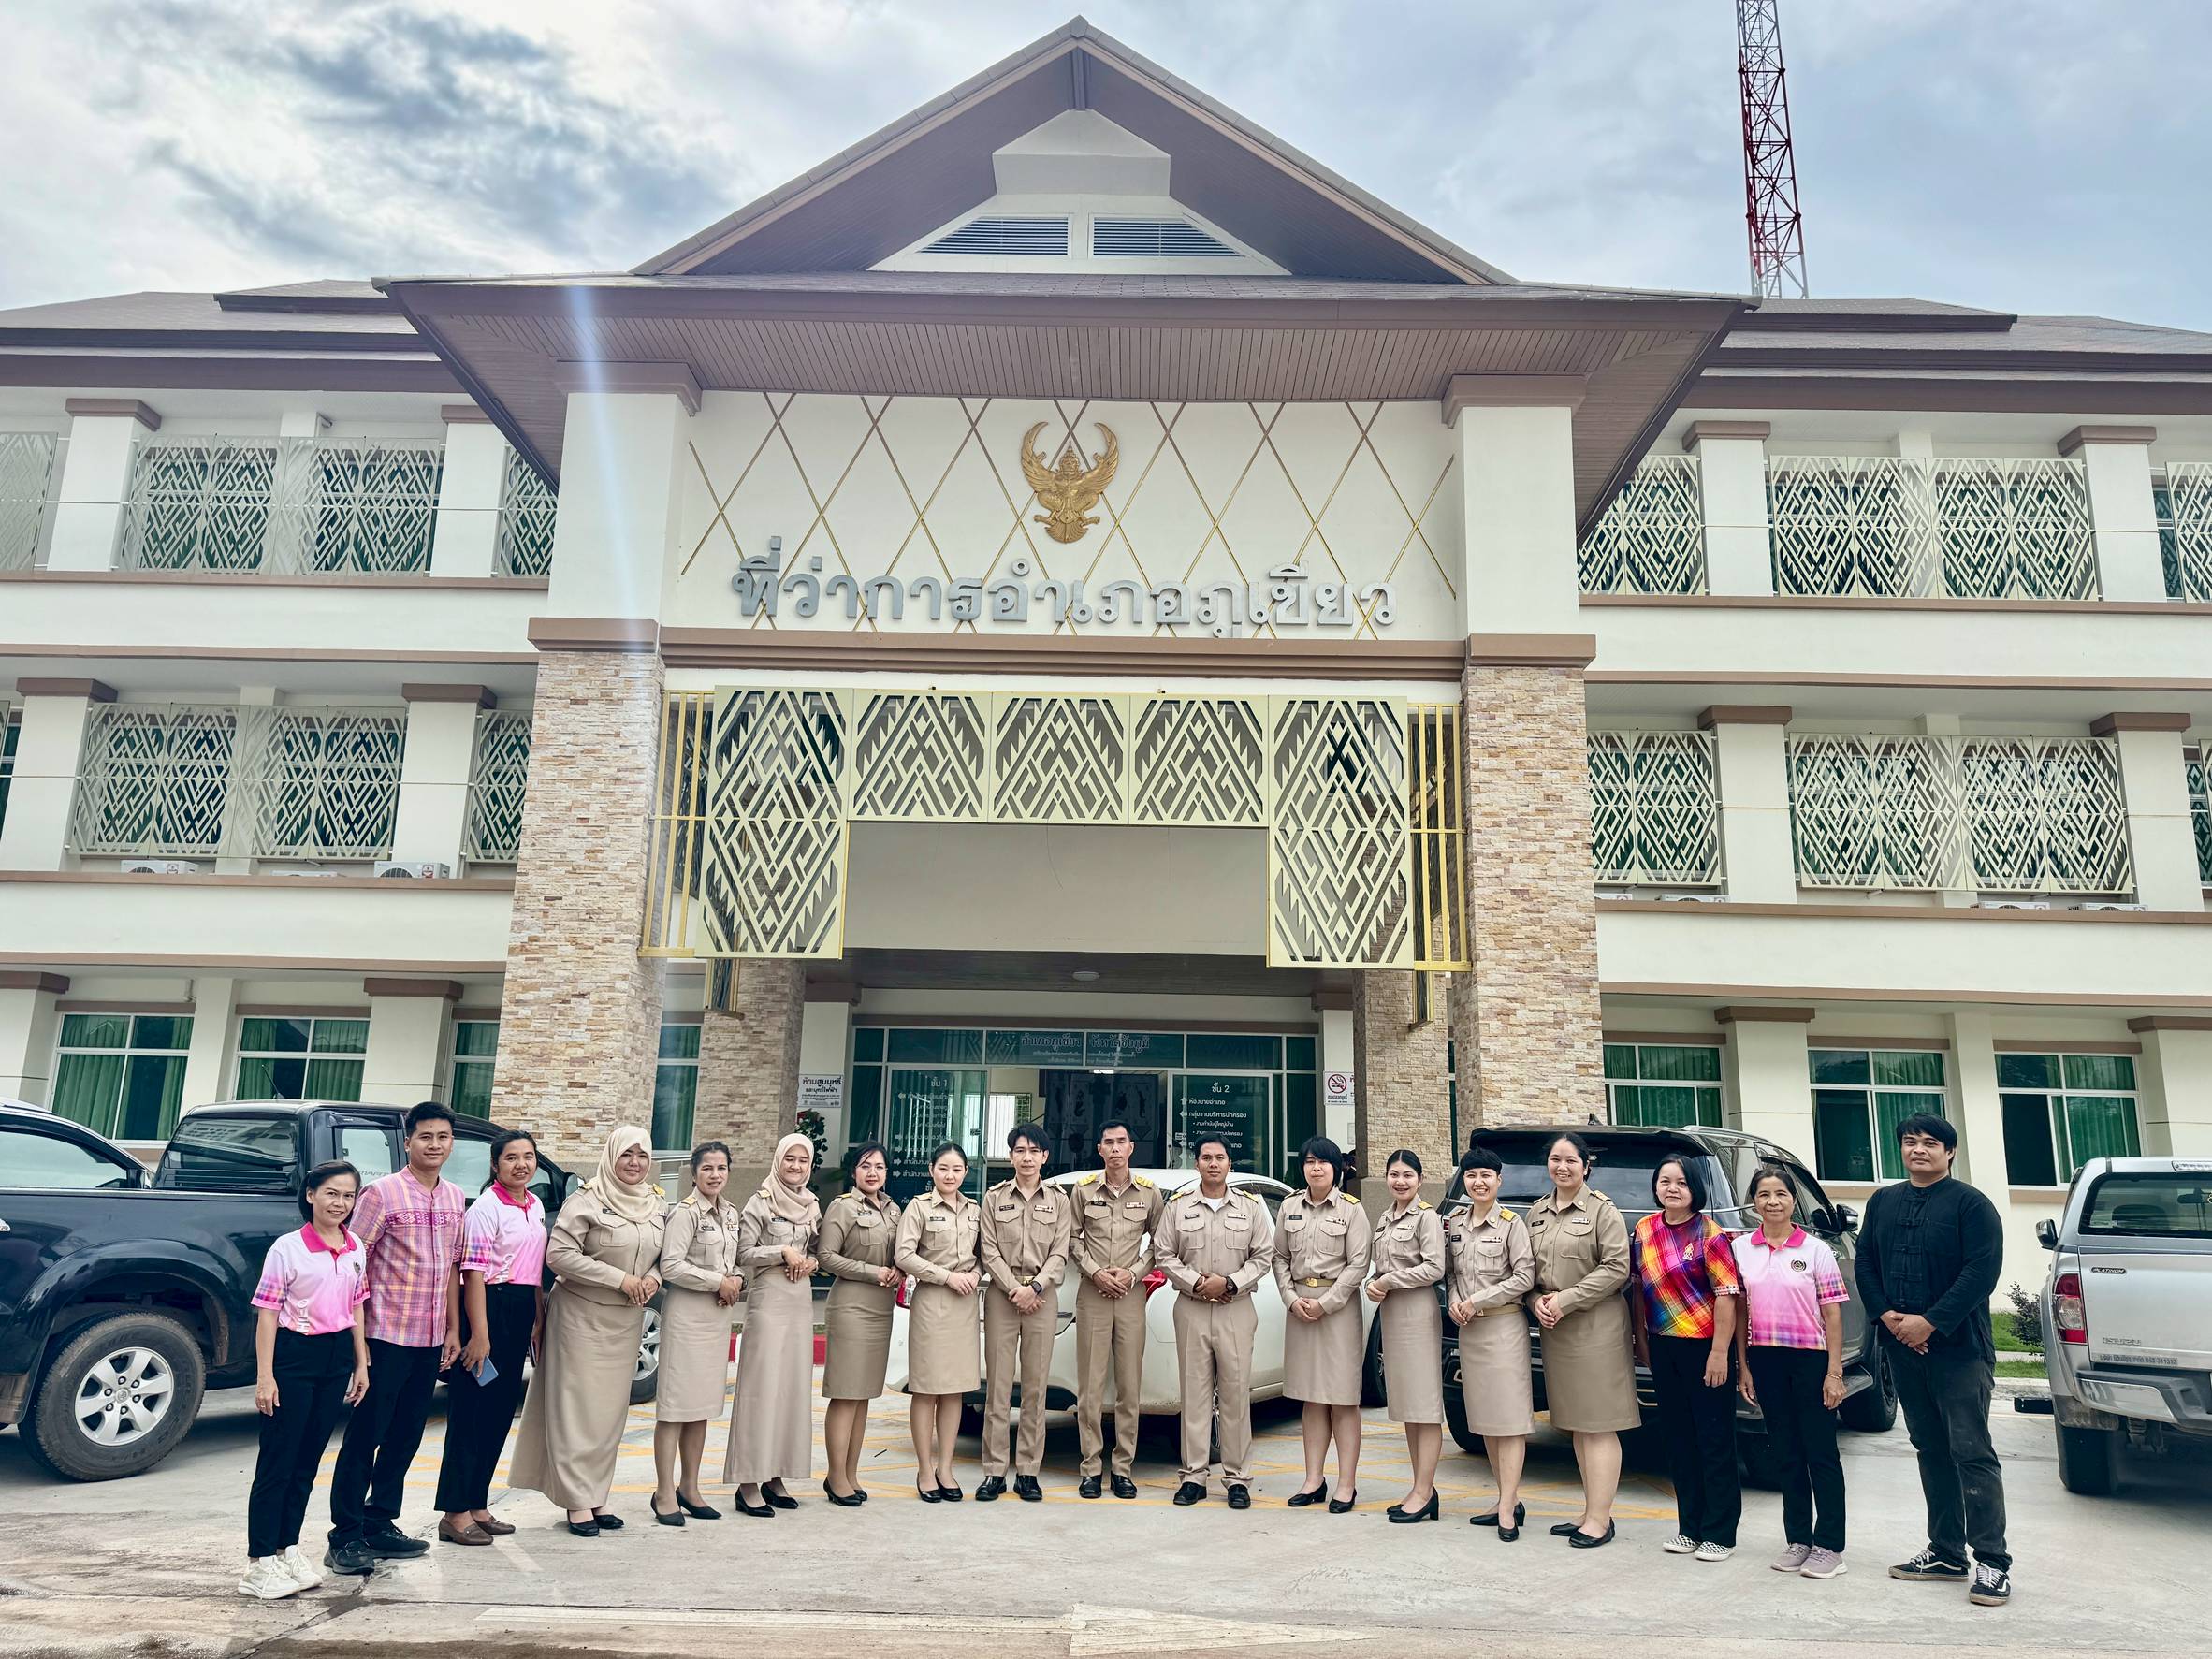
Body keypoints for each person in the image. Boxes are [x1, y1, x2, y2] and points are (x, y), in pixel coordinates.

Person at [1854, 1113, 2009, 1606]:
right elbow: (1865, 1262)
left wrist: (1931, 1322)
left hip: (1960, 1351)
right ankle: (1945, 1552)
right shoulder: (1883, 1201)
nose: (1918, 1150)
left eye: (1929, 1143)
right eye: (1909, 1142)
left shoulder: (1972, 1205)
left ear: (1950, 1153)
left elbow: (1980, 1273)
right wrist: (1888, 1317)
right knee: (1930, 1450)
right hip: (1903, 1348)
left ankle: (1993, 1562)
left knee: (1971, 1453)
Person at [326, 1101, 465, 1573]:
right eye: (425, 1137)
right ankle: (344, 1536)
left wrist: (453, 1329)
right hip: (385, 1334)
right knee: (366, 1435)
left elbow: (451, 1269)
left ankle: (379, 1522)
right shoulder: (380, 1195)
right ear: (407, 1142)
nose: (435, 1145)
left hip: (428, 1338)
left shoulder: (454, 1198)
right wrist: (359, 1344)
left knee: (406, 1436)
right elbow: (353, 1265)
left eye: (443, 1137)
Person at [510, 1125, 666, 1536]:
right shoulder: (586, 1200)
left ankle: (597, 1495)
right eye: (626, 1155)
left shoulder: (655, 1203)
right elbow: (559, 1256)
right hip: (580, 1317)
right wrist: (619, 1279)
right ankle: (576, 1501)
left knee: (609, 1415)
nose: (634, 1163)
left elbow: (664, 1253)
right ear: (611, 1156)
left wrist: (651, 1277)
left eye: (642, 1156)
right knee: (576, 1411)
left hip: (626, 1321)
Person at [239, 1160, 371, 1599]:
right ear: (311, 1195)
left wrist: (361, 1363)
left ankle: (286, 1548)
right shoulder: (288, 1248)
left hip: (335, 1359)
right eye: (332, 1193)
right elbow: (268, 1314)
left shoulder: (355, 1246)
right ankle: (259, 1564)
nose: (341, 1203)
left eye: (349, 1195)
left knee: (307, 1463)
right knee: (279, 1461)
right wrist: (265, 1376)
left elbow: (356, 1307)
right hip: (294, 1357)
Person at [1736, 1163, 1850, 1579]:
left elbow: (1832, 1315)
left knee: (1820, 1452)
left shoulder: (1816, 1250)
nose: (1773, 1202)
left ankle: (1830, 1546)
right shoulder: (1742, 1249)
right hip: (1765, 1358)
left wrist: (1833, 1372)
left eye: (1780, 1194)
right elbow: (1741, 1309)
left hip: (1811, 1359)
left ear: (1792, 1200)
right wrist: (1743, 1367)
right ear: (1754, 1203)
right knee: (1785, 1451)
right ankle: (1798, 1539)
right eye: (1764, 1195)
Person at [435, 1129, 546, 1545]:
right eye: (512, 1158)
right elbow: (472, 1274)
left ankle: (478, 1503)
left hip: (519, 1308)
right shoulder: (485, 1208)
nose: (521, 1165)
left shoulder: (533, 1204)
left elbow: (533, 1270)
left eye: (528, 1157)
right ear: (495, 1165)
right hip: (487, 1309)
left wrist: (537, 1319)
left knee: (499, 1413)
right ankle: (454, 1512)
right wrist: (478, 1335)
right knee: (471, 1414)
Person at [1631, 1153, 1744, 1563]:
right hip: (1663, 1345)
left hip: (1705, 1347)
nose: (1672, 1189)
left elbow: (1728, 1296)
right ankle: (1689, 1526)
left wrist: (1719, 1352)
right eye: (1665, 1181)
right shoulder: (1645, 1229)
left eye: (1680, 1182)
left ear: (1694, 1188)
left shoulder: (1711, 1234)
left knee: (1713, 1439)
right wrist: (1641, 1337)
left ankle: (1720, 1532)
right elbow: (1639, 1288)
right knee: (1678, 1438)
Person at [1527, 1130, 1636, 1549]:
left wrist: (1566, 1300)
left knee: (1598, 1425)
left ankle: (1601, 1518)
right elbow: (1530, 1273)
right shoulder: (1537, 1213)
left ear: (1586, 1166)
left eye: (1571, 1160)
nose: (1562, 1166)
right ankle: (1590, 1511)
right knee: (1575, 1425)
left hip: (1595, 1328)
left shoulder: (1601, 1211)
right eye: (1555, 1159)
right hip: (1557, 1329)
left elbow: (1616, 1269)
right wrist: (1537, 1302)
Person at [1153, 1134, 1273, 1507]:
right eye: (1206, 1157)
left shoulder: (1250, 1207)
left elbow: (1263, 1255)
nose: (1213, 1164)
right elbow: (1163, 1252)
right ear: (1197, 1164)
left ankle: (1237, 1478)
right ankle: (1193, 1476)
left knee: (1236, 1395)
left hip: (1235, 1309)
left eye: (1220, 1158)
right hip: (1191, 1307)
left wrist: (1231, 1283)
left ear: (1229, 1164)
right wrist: (1198, 1284)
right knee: (1195, 1394)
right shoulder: (1178, 1206)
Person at [1273, 1134, 1373, 1513]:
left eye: (1323, 1162)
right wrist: (1291, 1298)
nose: (1316, 1168)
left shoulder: (1352, 1210)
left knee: (1343, 1399)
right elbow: (1279, 1257)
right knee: (1312, 1398)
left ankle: (1346, 1484)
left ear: (1336, 1169)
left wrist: (1326, 1303)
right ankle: (1314, 1479)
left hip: (1338, 1310)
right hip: (1300, 1308)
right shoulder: (1288, 1208)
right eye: (1309, 1161)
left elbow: (1358, 1265)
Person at [723, 1131, 821, 1515]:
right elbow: (744, 1252)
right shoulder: (759, 1202)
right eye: (790, 1159)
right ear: (778, 1160)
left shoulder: (812, 1204)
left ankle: (776, 1475)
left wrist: (811, 1262)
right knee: (760, 1389)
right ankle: (749, 1481)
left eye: (803, 1161)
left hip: (800, 1303)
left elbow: (815, 1252)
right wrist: (781, 1251)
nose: (796, 1167)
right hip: (768, 1301)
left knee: (790, 1390)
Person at [977, 1122, 1072, 1502]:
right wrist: (1014, 1288)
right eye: (1020, 1150)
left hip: (1042, 1298)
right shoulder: (994, 1197)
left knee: (1035, 1389)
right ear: (1010, 1155)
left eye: (1034, 1151)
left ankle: (1029, 1471)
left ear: (1045, 1157)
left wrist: (1034, 1288)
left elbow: (1061, 1253)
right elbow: (988, 1250)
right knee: (998, 1388)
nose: (1027, 1157)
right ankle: (994, 1471)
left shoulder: (1059, 1201)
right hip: (1002, 1296)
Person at [651, 1142, 743, 1526]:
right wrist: (717, 1281)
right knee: (675, 1408)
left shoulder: (731, 1214)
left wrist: (737, 1278)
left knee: (702, 1406)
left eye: (721, 1168)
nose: (715, 1175)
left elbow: (736, 1261)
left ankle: (690, 1487)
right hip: (687, 1315)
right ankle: (663, 1490)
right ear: (693, 1173)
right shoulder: (685, 1213)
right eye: (707, 1168)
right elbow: (670, 1266)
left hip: (716, 1317)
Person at [1447, 1147, 1535, 1541]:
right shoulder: (1454, 1224)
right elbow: (1449, 1274)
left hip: (1502, 1327)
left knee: (1509, 1420)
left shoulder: (1512, 1223)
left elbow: (1523, 1277)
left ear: (1499, 1180)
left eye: (1486, 1175)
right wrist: (1453, 1302)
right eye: (1471, 1176)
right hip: (1470, 1331)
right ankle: (1505, 1498)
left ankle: (1507, 1506)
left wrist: (1476, 1301)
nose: (1478, 1182)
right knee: (1485, 1420)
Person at [1070, 1118, 1161, 1500]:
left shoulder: (1150, 1193)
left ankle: (1123, 1467)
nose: (1115, 1148)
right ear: (1100, 1149)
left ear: (1131, 1148)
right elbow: (1071, 1239)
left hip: (1130, 1296)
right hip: (1092, 1294)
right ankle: (1091, 1468)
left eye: (1121, 1142)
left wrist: (1133, 1273)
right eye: (1108, 1142)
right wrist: (1095, 1273)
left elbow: (1161, 1243)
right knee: (1089, 1390)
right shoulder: (1083, 1191)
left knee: (1128, 1387)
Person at [895, 1142, 982, 1503]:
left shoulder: (975, 1210)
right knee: (927, 1388)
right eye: (943, 1168)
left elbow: (982, 1255)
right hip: (932, 1302)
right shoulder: (918, 1208)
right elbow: (903, 1254)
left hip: (964, 1304)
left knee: (955, 1389)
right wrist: (947, 1277)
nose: (950, 1175)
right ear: (932, 1170)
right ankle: (925, 1468)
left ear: (965, 1173)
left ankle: (946, 1467)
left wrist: (976, 1274)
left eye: (957, 1169)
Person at [818, 1141, 902, 1505]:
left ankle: (851, 1473)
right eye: (866, 1166)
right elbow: (826, 1256)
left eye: (880, 1167)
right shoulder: (843, 1207)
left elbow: (902, 1252)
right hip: (851, 1306)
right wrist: (873, 1271)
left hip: (882, 1309)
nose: (873, 1173)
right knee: (845, 1394)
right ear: (854, 1171)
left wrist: (898, 1268)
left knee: (864, 1394)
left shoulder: (894, 1210)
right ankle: (835, 1476)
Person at [1366, 1149, 1446, 1523]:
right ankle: (1420, 1486)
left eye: (1408, 1175)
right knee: (1409, 1408)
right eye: (1394, 1174)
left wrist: (1389, 1280)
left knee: (1424, 1407)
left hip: (1415, 1310)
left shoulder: (1426, 1217)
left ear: (1419, 1179)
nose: (1400, 1181)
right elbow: (1381, 1265)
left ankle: (1424, 1490)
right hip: (1392, 1313)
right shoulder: (1384, 1217)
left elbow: (1434, 1267)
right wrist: (1373, 1283)